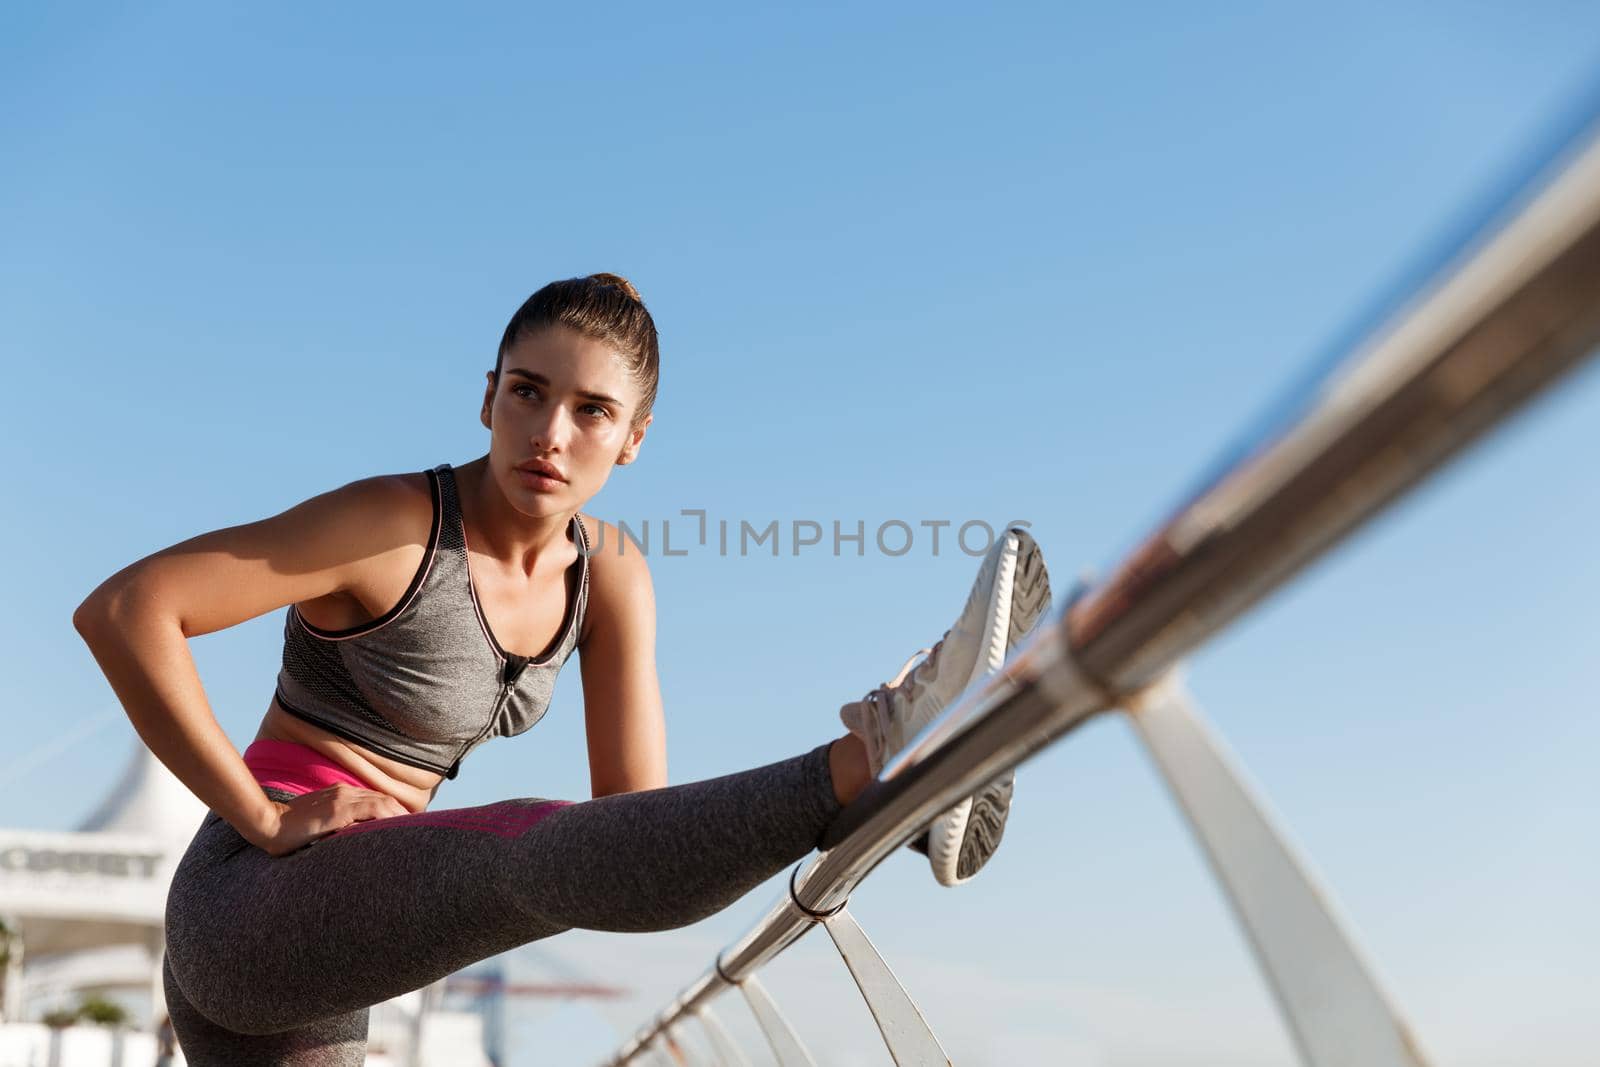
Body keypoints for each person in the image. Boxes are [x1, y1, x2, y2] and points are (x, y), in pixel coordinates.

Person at [72, 274, 1051, 1066]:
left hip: (337, 941)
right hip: (249, 899)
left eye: (591, 410)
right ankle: (883, 749)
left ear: (633, 438)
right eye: (528, 392)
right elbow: (126, 608)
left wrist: (831, 833)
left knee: (560, 851)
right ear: (488, 393)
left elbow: (631, 824)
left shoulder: (611, 574)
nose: (549, 433)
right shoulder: (393, 524)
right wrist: (264, 813)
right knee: (521, 851)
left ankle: (893, 789)